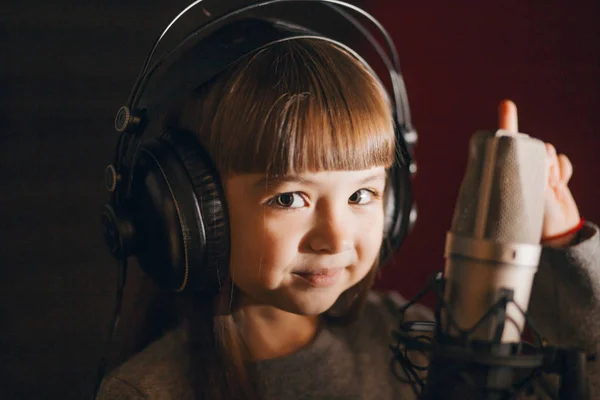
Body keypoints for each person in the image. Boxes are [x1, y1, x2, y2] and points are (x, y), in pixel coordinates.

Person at [96, 37, 600, 399]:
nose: (334, 236)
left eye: (362, 193)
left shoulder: (415, 344)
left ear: (395, 204)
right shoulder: (146, 391)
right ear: (191, 215)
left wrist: (564, 245)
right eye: (290, 198)